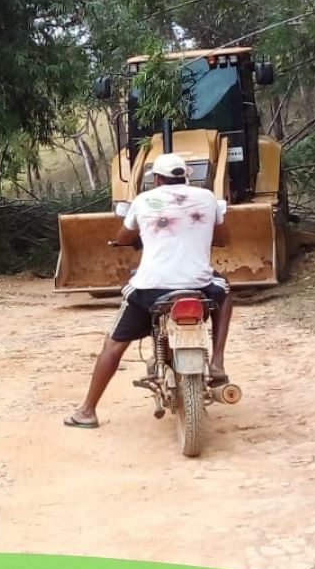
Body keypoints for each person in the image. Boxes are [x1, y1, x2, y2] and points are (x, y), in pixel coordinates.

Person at [64, 152, 232, 429]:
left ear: (155, 179)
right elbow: (224, 239)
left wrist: (123, 241)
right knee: (225, 291)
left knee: (114, 344)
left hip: (150, 291)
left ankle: (87, 411)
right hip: (198, 287)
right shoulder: (207, 198)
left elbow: (123, 237)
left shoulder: (143, 201)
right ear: (186, 176)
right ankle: (217, 361)